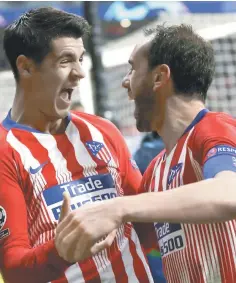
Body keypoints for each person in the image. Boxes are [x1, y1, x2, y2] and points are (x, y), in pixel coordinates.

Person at [56, 24, 236, 282]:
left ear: (160, 77)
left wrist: (118, 207)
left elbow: (230, 193)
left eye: (132, 69)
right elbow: (134, 246)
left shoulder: (214, 127)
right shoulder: (154, 173)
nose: (125, 81)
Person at [0, 7, 154, 283]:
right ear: (25, 67)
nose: (80, 72)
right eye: (65, 61)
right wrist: (62, 251)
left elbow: (147, 225)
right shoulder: (5, 151)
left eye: (80, 59)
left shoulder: (101, 131)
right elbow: (14, 270)